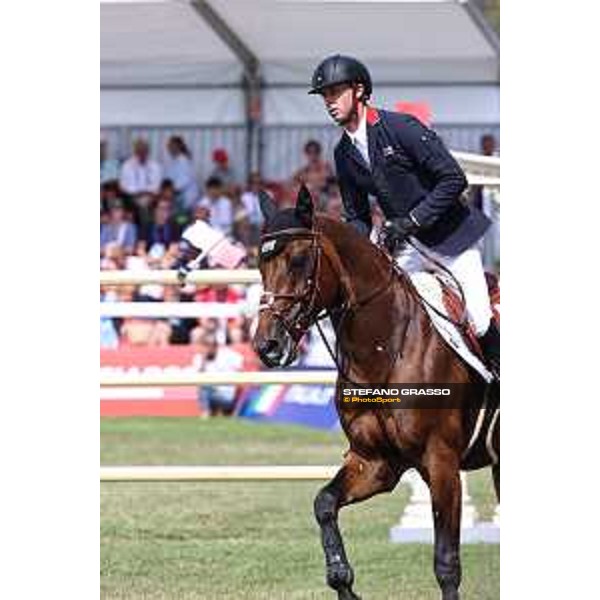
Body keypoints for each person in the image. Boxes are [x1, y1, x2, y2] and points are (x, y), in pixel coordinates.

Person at [309, 54, 500, 378]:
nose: (329, 102)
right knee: (381, 311)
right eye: (325, 95)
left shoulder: (401, 127)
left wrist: (412, 221)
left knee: (480, 321)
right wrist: (352, 250)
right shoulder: (343, 153)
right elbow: (357, 216)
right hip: (407, 247)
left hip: (451, 239)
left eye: (335, 92)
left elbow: (453, 179)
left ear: (359, 90)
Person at [119, 138, 162, 227]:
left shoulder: (155, 166)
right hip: (131, 197)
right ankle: (141, 231)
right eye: (139, 150)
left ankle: (145, 231)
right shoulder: (127, 165)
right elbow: (123, 186)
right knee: (139, 207)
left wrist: (148, 195)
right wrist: (137, 194)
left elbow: (157, 186)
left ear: (148, 151)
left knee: (147, 206)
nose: (142, 153)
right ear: (135, 151)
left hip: (150, 197)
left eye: (144, 150)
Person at [164, 135, 199, 214]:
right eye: (168, 146)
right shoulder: (172, 161)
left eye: (171, 145)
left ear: (178, 146)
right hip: (177, 196)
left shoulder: (184, 160)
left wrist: (171, 190)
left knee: (181, 219)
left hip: (186, 197)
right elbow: (169, 178)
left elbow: (184, 180)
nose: (169, 148)